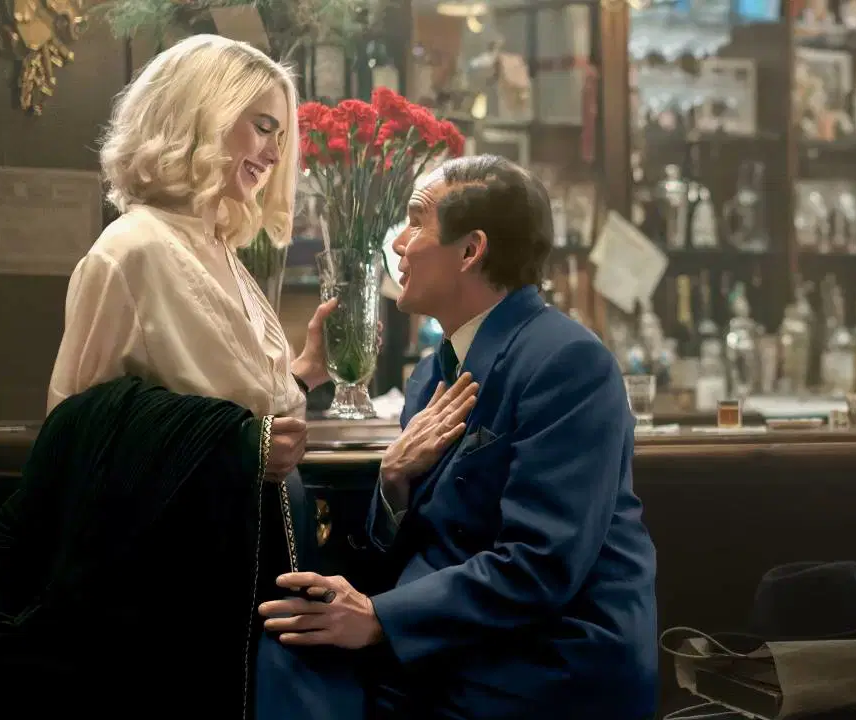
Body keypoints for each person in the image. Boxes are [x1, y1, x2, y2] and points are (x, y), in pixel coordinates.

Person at [0, 34, 338, 715]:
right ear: (202, 114)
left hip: (237, 566)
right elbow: (79, 438)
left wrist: (301, 376)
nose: (274, 152)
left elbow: (223, 393)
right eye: (262, 126)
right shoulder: (132, 249)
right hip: (167, 590)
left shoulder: (220, 248)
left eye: (280, 136)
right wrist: (240, 444)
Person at [258, 155, 660, 720]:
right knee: (276, 652)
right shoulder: (431, 371)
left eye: (415, 222)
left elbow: (540, 564)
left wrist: (379, 618)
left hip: (545, 659)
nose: (398, 244)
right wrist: (392, 483)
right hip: (453, 641)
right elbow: (425, 541)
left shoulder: (568, 361)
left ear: (471, 250)